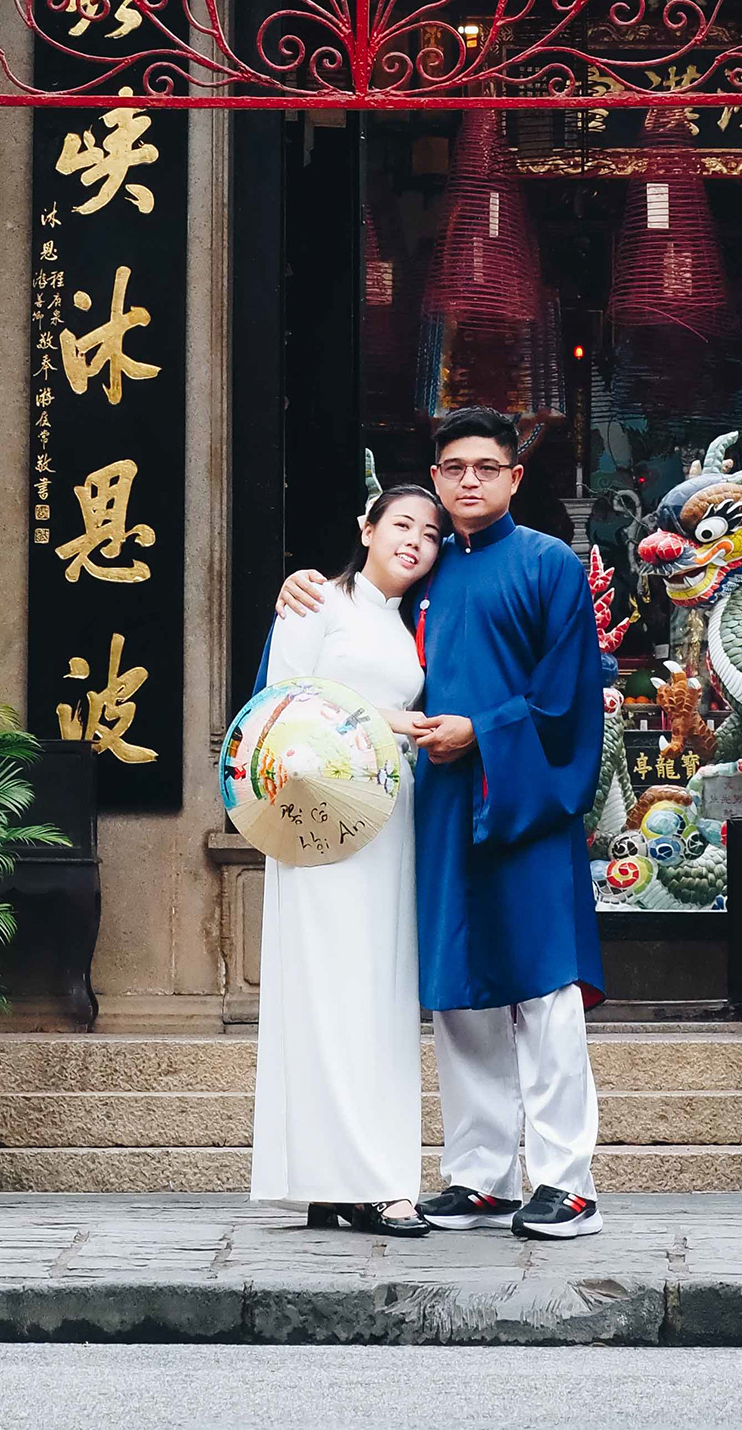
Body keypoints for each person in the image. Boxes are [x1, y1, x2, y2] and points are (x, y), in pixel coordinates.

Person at [276, 407, 607, 1241]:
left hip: (528, 799)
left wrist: (482, 733)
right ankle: (481, 1175)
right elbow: (353, 633)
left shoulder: (549, 566)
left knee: (546, 992)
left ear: (514, 478)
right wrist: (305, 587)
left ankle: (567, 1182)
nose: (468, 481)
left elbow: (567, 701)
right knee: (461, 996)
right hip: (440, 806)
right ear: (435, 477)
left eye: (486, 468)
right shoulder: (424, 572)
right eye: (453, 468)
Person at [250, 483, 443, 1237]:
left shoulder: (408, 622)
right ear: (366, 528)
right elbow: (281, 708)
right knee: (326, 991)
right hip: (319, 818)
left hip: (389, 820)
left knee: (377, 995)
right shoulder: (315, 602)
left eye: (430, 533)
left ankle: (343, 1178)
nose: (415, 540)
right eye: (402, 524)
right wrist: (391, 719)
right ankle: (363, 1180)